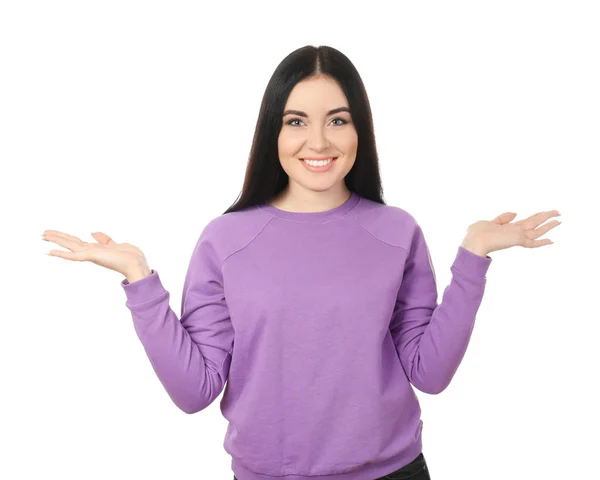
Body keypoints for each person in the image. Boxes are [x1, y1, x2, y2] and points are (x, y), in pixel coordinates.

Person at [41, 45, 561, 480]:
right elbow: (194, 390)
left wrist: (473, 257)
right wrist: (139, 279)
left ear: (360, 131)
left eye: (338, 120)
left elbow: (430, 373)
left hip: (394, 472)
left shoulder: (396, 231)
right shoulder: (226, 239)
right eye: (297, 121)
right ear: (274, 131)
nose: (318, 141)